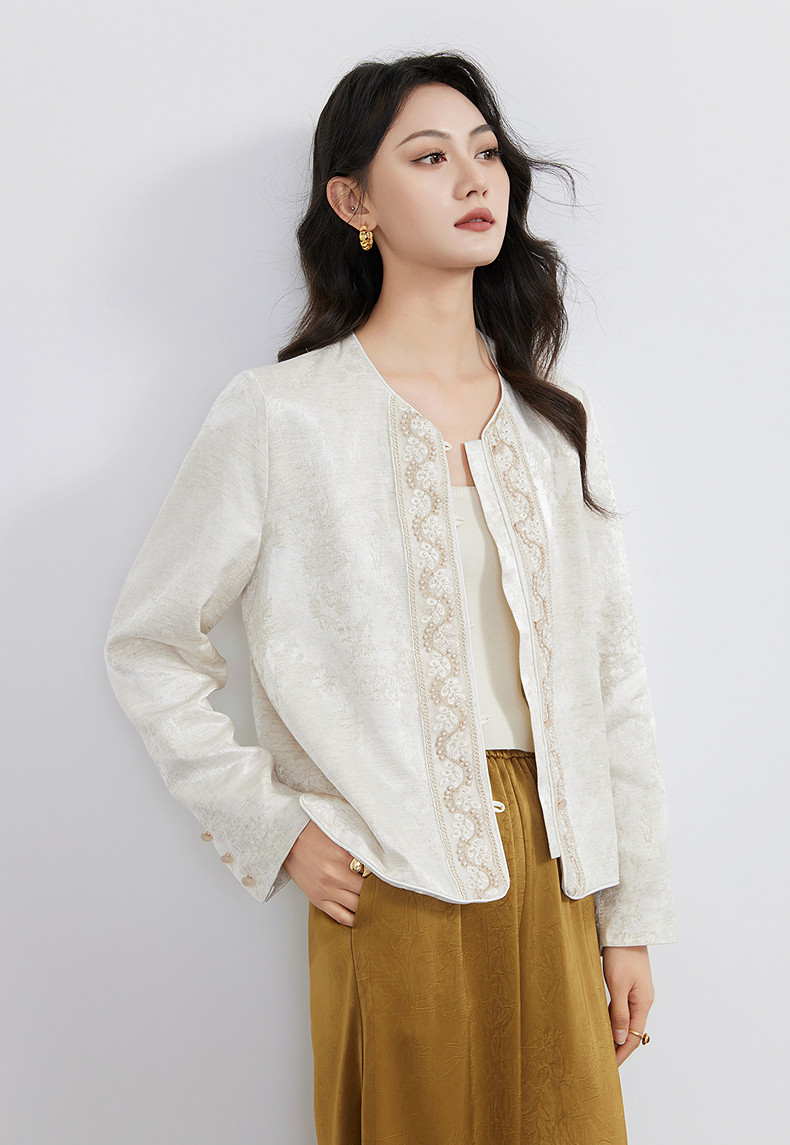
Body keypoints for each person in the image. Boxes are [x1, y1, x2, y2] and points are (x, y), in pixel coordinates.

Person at [104, 49, 678, 1145]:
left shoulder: (551, 428)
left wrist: (630, 916)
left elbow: (614, 683)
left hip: (564, 870)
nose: (474, 178)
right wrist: (275, 826)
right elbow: (150, 644)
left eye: (486, 153)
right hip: (391, 872)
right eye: (429, 156)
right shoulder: (281, 417)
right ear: (354, 201)